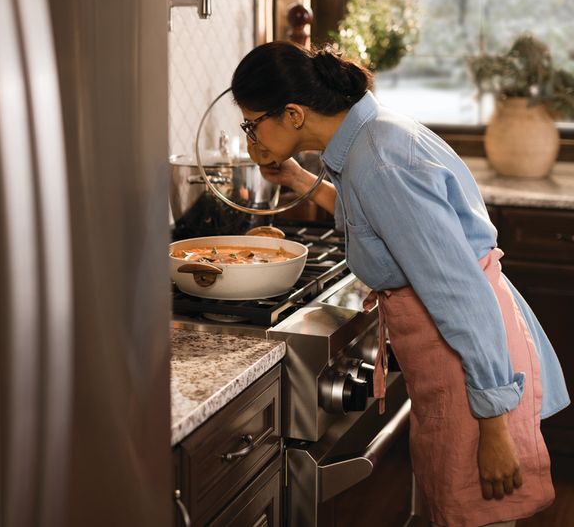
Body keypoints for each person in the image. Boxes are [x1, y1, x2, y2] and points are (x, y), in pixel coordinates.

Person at [230, 41, 570, 527]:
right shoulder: (367, 138)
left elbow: (458, 292)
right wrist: (298, 177)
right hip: (456, 357)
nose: (250, 138)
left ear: (293, 114)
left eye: (251, 123)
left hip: (473, 365)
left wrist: (493, 425)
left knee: (480, 516)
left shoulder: (380, 160)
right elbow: (379, 225)